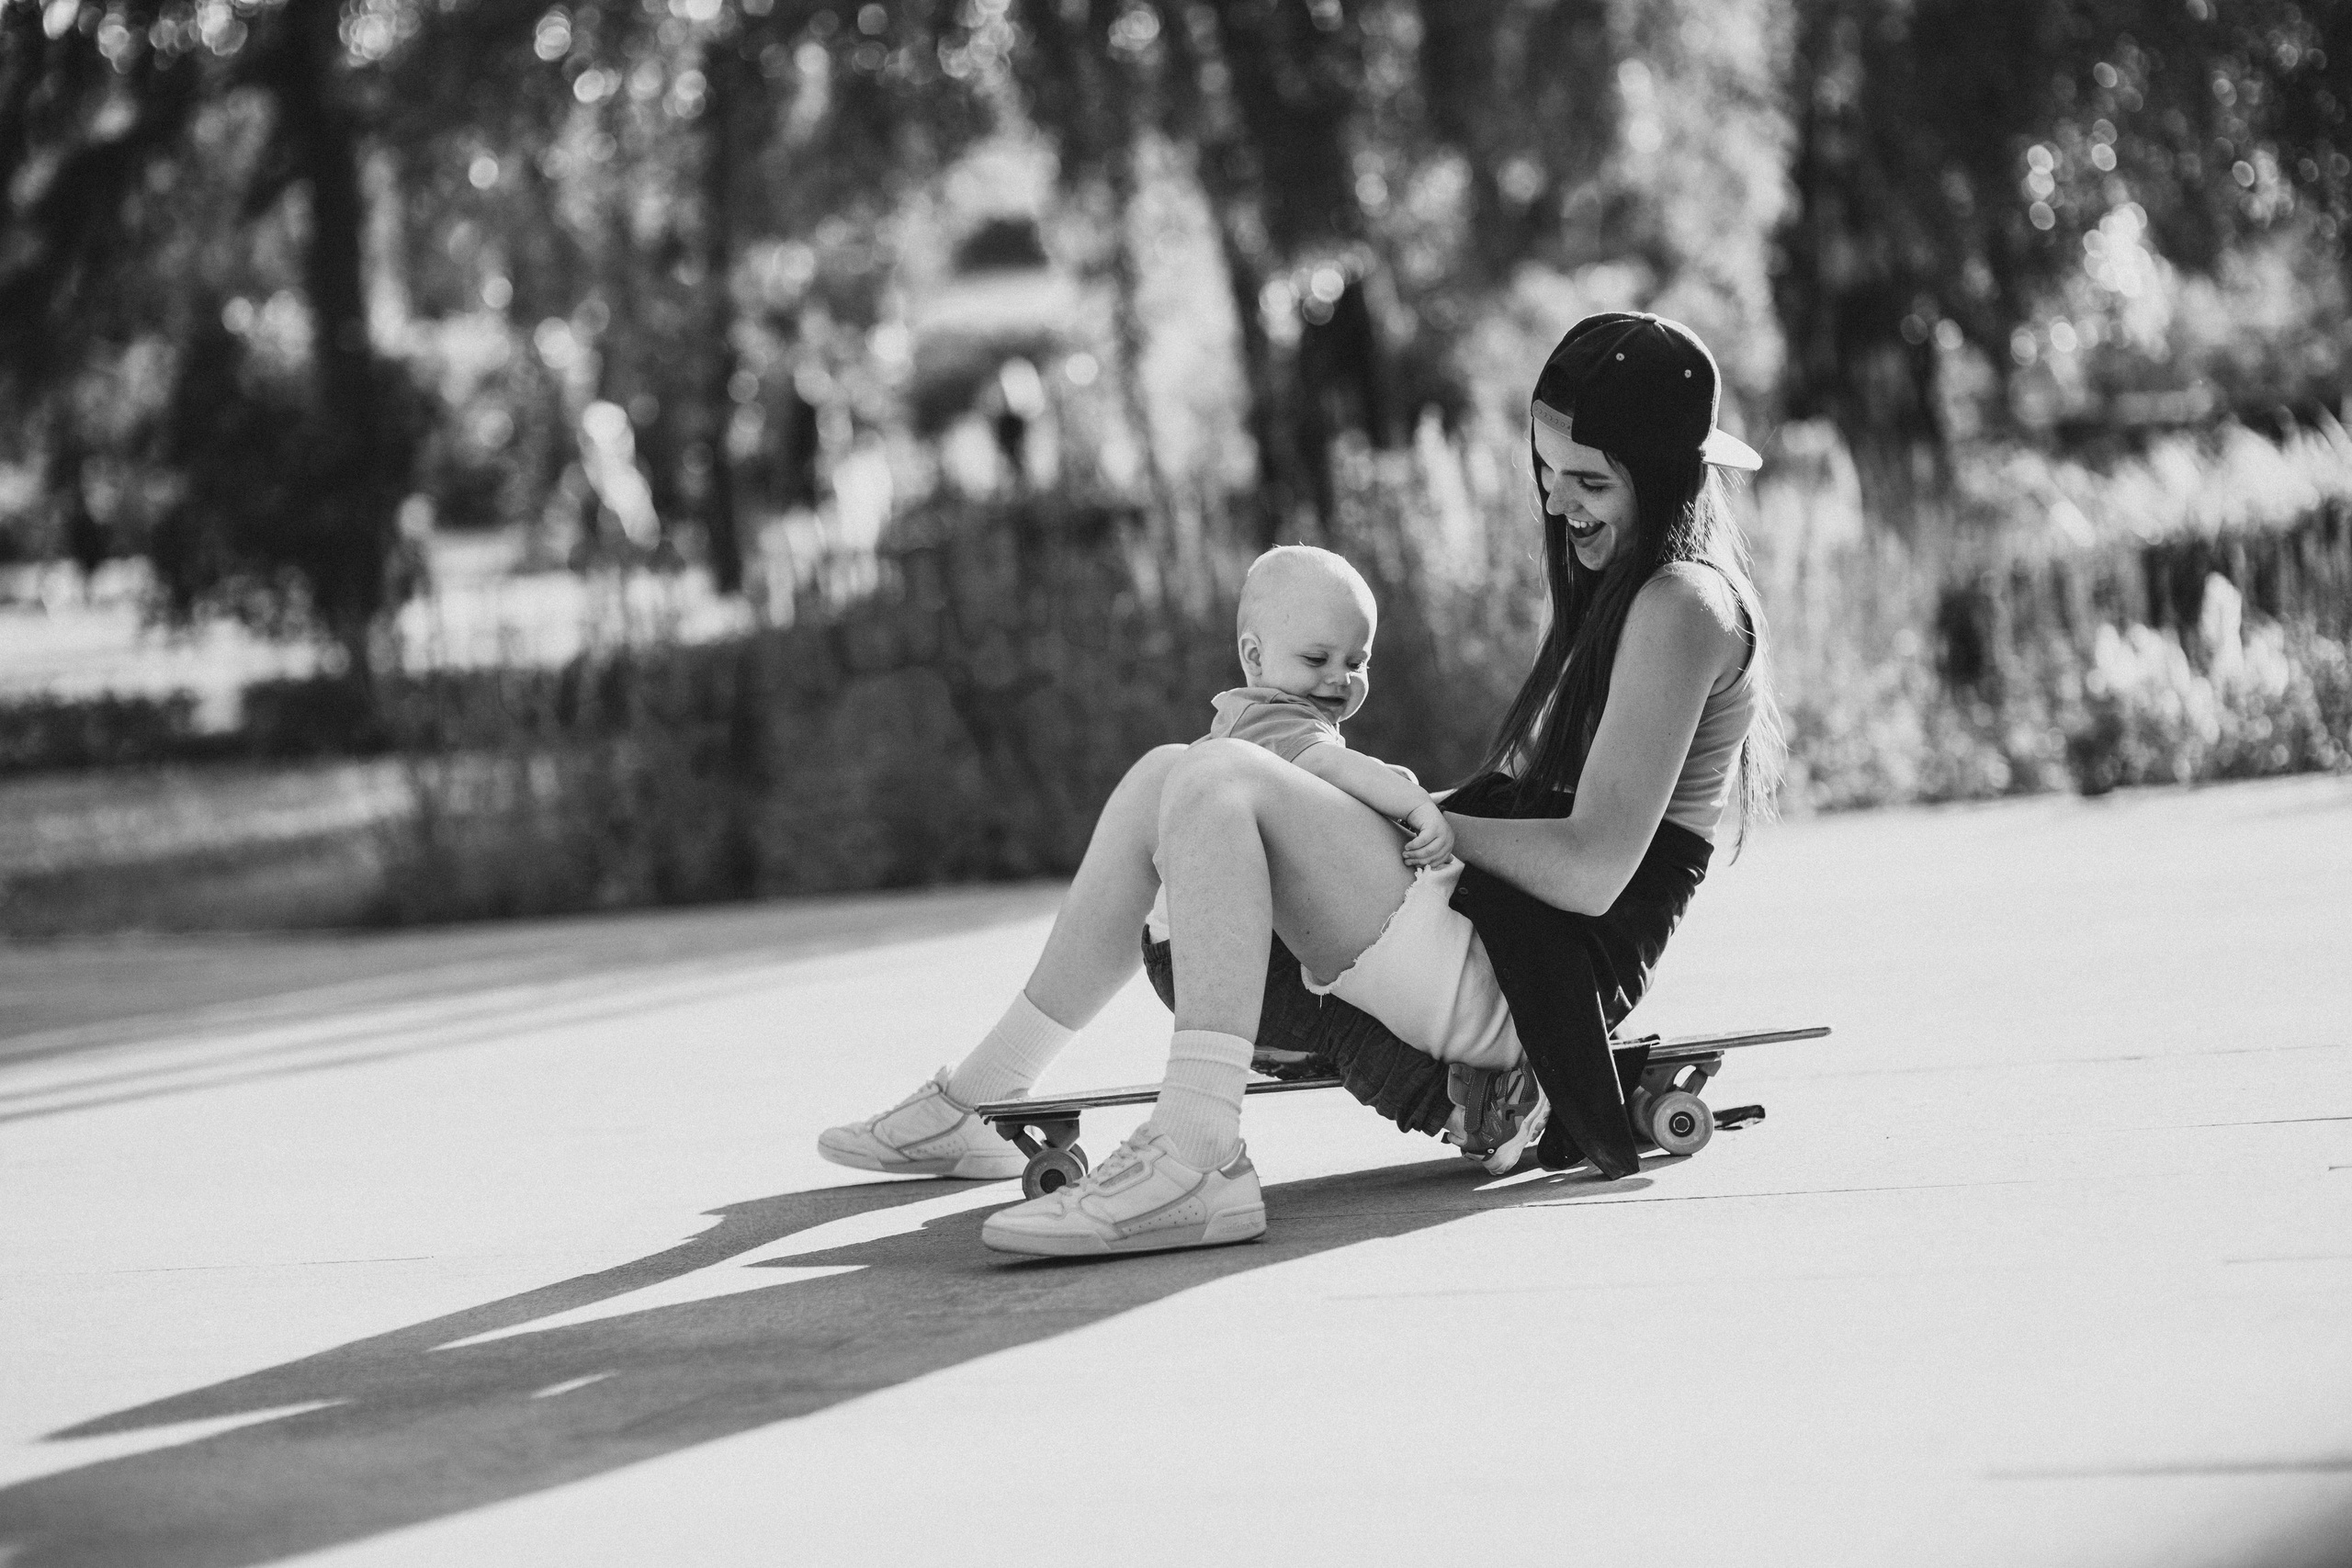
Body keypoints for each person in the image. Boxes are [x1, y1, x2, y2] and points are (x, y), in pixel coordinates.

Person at [817, 311, 1779, 1260]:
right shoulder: (1627, 589)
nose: (1560, 503)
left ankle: (1195, 1157)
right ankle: (983, 1099)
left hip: (1535, 984)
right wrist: (1384, 813)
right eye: (1545, 472)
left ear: (1663, 474)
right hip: (1493, 938)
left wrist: (1411, 814)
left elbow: (1590, 873)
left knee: (1222, 778)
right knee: (1171, 775)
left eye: (1590, 481)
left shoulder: (1681, 604)